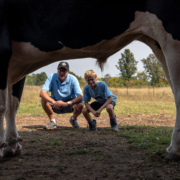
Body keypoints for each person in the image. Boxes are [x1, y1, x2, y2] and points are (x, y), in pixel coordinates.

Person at [40, 61, 83, 129]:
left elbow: (80, 96)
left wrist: (66, 104)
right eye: (60, 70)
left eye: (64, 71)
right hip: (56, 103)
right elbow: (42, 93)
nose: (62, 73)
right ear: (57, 70)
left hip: (70, 104)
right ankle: (52, 121)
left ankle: (73, 119)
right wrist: (54, 102)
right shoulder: (52, 77)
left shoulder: (73, 79)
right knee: (43, 100)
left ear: (68, 71)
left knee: (81, 104)